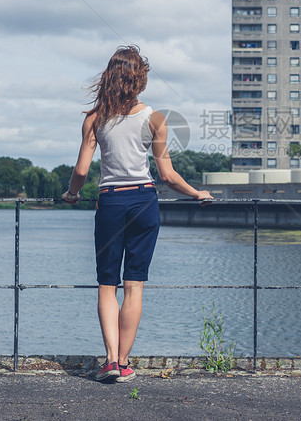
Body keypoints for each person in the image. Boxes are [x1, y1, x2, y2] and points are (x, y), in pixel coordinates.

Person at [62, 45, 213, 383]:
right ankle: (125, 362)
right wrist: (197, 193)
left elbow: (82, 171)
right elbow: (168, 177)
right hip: (145, 202)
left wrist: (71, 194)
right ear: (140, 80)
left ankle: (111, 361)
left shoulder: (94, 119)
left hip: (111, 202)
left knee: (106, 285)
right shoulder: (155, 119)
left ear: (109, 78)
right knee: (134, 286)